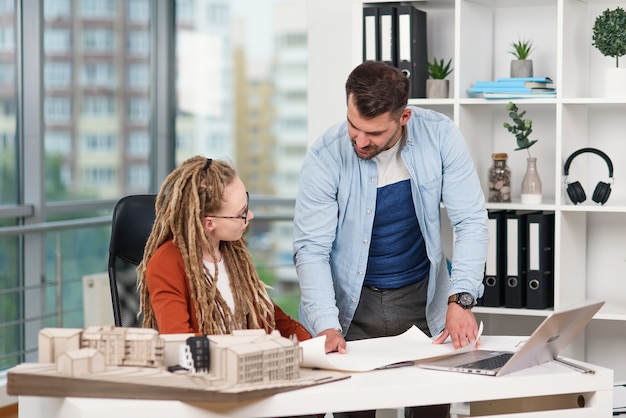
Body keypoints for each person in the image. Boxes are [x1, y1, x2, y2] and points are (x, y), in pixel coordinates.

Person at [293, 61, 488, 418]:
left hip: (422, 301)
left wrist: (461, 300)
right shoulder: (325, 156)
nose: (360, 140)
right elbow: (311, 250)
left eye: (374, 133)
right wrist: (326, 325)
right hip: (349, 307)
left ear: (404, 117)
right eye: (354, 126)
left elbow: (471, 222)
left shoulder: (441, 135)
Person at [138, 156, 310, 341]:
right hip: (209, 367)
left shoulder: (235, 251)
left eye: (247, 205)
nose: (250, 215)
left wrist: (316, 345)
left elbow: (268, 314)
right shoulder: (165, 264)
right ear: (209, 223)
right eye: (241, 214)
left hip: (248, 361)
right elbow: (180, 341)